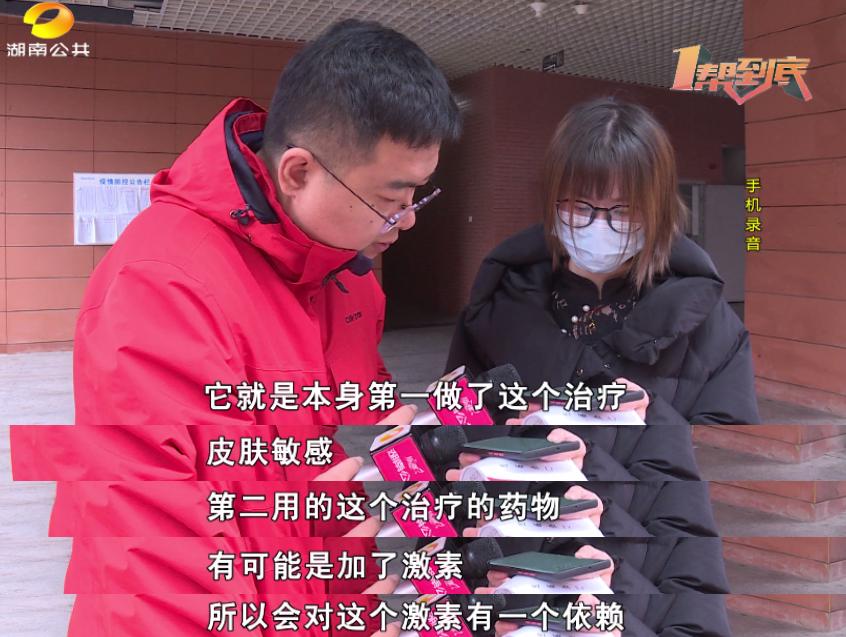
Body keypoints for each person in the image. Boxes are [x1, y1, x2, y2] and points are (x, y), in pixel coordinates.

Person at [52, 18, 461, 637]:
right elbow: (162, 562)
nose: (405, 221)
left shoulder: (340, 272)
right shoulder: (163, 285)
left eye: (417, 197)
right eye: (389, 198)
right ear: (297, 172)